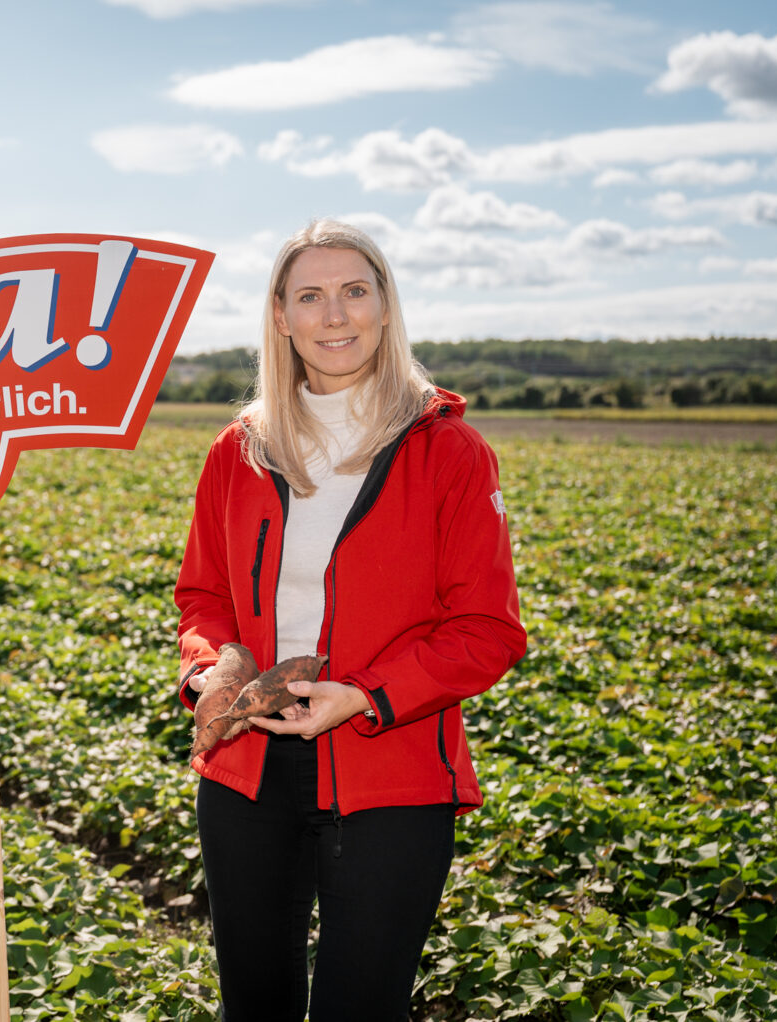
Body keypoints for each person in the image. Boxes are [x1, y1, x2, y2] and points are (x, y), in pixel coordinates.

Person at [173, 218, 526, 1021]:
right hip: (249, 761)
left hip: (390, 767)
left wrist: (362, 694)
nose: (335, 316)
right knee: (252, 1006)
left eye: (354, 292)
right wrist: (212, 668)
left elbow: (487, 629)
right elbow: (202, 594)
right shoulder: (241, 448)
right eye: (311, 296)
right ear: (280, 317)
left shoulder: (449, 451)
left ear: (385, 308)